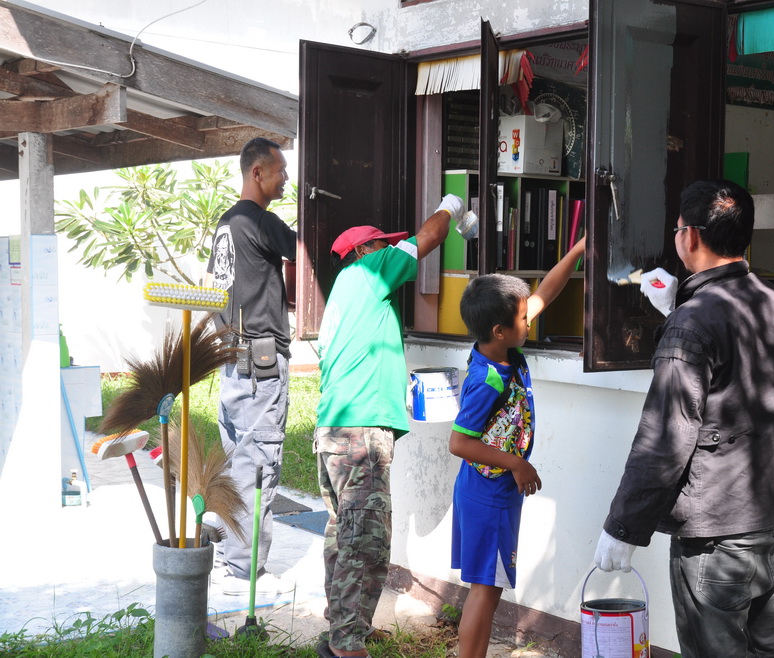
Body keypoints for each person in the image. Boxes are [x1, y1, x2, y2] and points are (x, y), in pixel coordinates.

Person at [593, 180, 774, 658]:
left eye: (677, 229)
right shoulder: (773, 300)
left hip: (718, 539)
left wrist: (622, 527)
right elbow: (733, 368)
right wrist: (681, 307)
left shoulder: (692, 324)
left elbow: (666, 438)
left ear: (690, 236)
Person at [313, 195, 465, 658]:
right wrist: (452, 205)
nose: (389, 252)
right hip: (360, 434)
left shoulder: (344, 300)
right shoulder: (366, 273)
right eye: (382, 245)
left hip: (335, 432)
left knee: (344, 535)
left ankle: (342, 629)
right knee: (366, 543)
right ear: (363, 252)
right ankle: (347, 645)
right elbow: (430, 236)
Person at [448, 237, 586, 658]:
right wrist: (516, 463)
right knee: (486, 590)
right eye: (524, 319)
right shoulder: (487, 379)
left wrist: (578, 250)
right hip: (487, 494)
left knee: (488, 587)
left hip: (494, 492)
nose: (531, 322)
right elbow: (459, 442)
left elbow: (545, 293)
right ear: (499, 330)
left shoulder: (504, 346)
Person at [205, 136, 296, 596]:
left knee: (238, 464)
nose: (286, 179)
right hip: (259, 365)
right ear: (256, 173)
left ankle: (230, 559)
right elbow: (310, 254)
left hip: (233, 360)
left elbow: (215, 288)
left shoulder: (225, 224)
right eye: (280, 171)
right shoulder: (259, 220)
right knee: (258, 466)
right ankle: (244, 574)